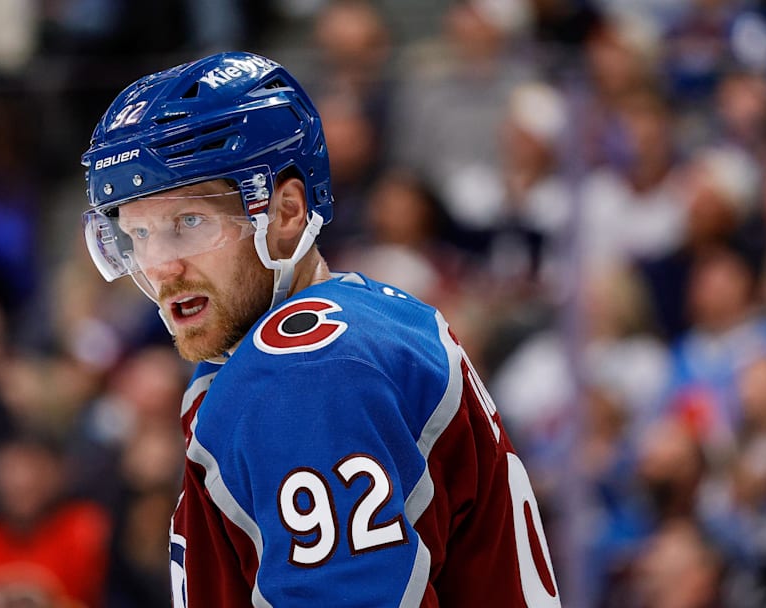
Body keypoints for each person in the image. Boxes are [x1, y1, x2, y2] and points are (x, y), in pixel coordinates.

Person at [81, 51, 562, 607]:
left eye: (189, 223)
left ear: (286, 213)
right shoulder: (364, 317)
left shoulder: (304, 370)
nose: (160, 266)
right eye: (139, 235)